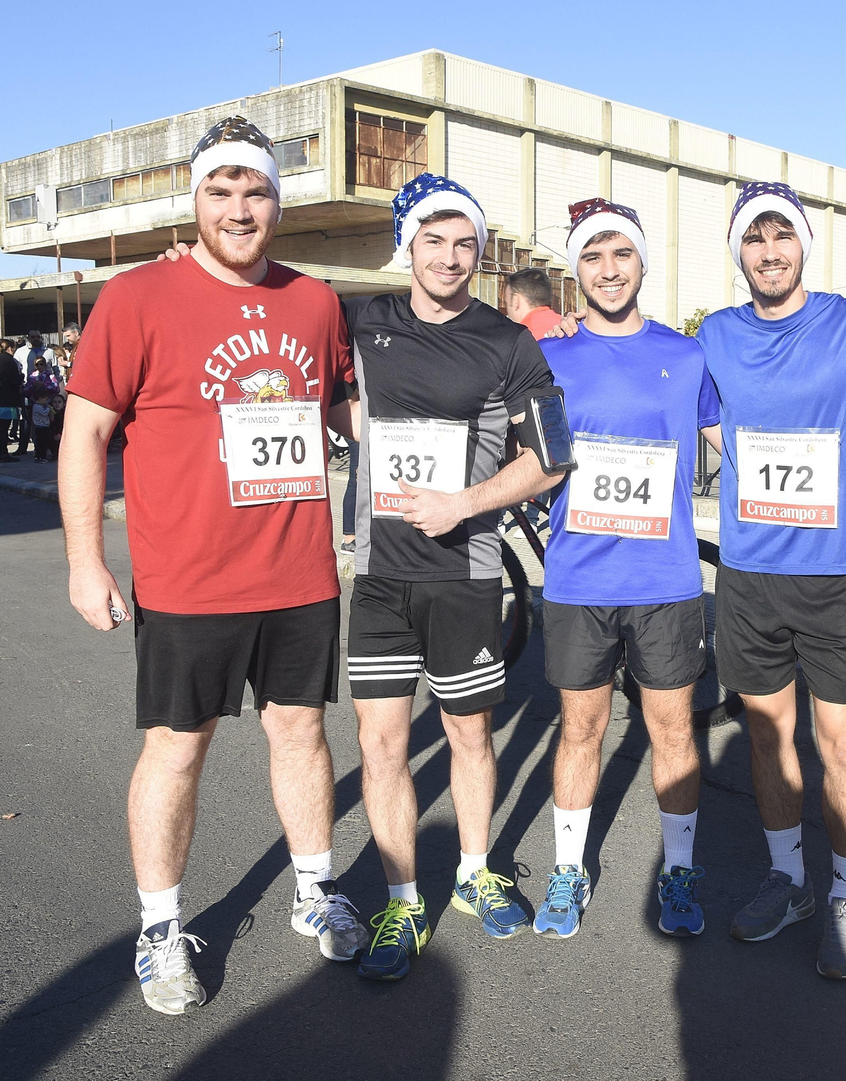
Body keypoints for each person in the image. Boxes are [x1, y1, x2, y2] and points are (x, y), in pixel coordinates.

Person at [59, 115, 367, 1017]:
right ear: (196, 200)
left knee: (301, 735)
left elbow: (345, 409)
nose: (240, 207)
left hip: (299, 574)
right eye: (222, 189)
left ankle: (314, 887)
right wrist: (87, 559)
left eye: (257, 190)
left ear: (279, 202)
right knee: (177, 748)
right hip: (188, 580)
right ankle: (161, 929)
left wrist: (436, 438)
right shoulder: (137, 298)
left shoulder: (314, 301)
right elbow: (86, 432)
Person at [342, 173, 557, 980]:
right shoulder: (362, 324)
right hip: (380, 577)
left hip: (465, 575)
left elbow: (551, 457)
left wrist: (467, 500)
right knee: (381, 742)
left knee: (469, 733)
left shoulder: (508, 342)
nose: (451, 257)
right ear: (408, 245)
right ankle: (402, 898)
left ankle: (473, 872)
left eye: (466, 242)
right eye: (434, 239)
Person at [694, 182, 846, 979]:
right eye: (755, 239)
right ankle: (790, 880)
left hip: (837, 576)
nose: (769, 252)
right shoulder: (716, 333)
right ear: (739, 251)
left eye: (782, 237)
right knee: (768, 735)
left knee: (843, 741)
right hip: (748, 575)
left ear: (804, 245)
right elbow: (708, 417)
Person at [530, 198, 722, 939]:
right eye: (592, 258)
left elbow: (729, 438)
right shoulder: (552, 353)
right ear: (575, 271)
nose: (608, 271)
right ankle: (568, 872)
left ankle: (679, 873)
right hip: (578, 577)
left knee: (672, 730)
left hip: (665, 581)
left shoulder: (688, 354)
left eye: (621, 255)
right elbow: (527, 451)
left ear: (643, 262)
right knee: (581, 727)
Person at [0, 338, 25, 461]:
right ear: (9, 349)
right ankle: (3, 453)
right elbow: (14, 380)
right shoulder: (8, 361)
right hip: (8, 397)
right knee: (4, 427)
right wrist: (21, 377)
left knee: (1, 426)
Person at [503, 268, 564, 339]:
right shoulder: (567, 327)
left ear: (515, 301)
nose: (507, 314)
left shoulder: (519, 338)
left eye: (507, 304)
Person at [25, 364, 60, 461]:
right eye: (37, 364)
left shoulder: (50, 376)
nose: (39, 366)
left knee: (46, 440)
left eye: (42, 364)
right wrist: (48, 409)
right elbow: (26, 389)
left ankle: (44, 455)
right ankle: (40, 456)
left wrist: (45, 386)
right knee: (40, 441)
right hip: (40, 425)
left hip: (46, 424)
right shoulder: (37, 406)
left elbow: (56, 388)